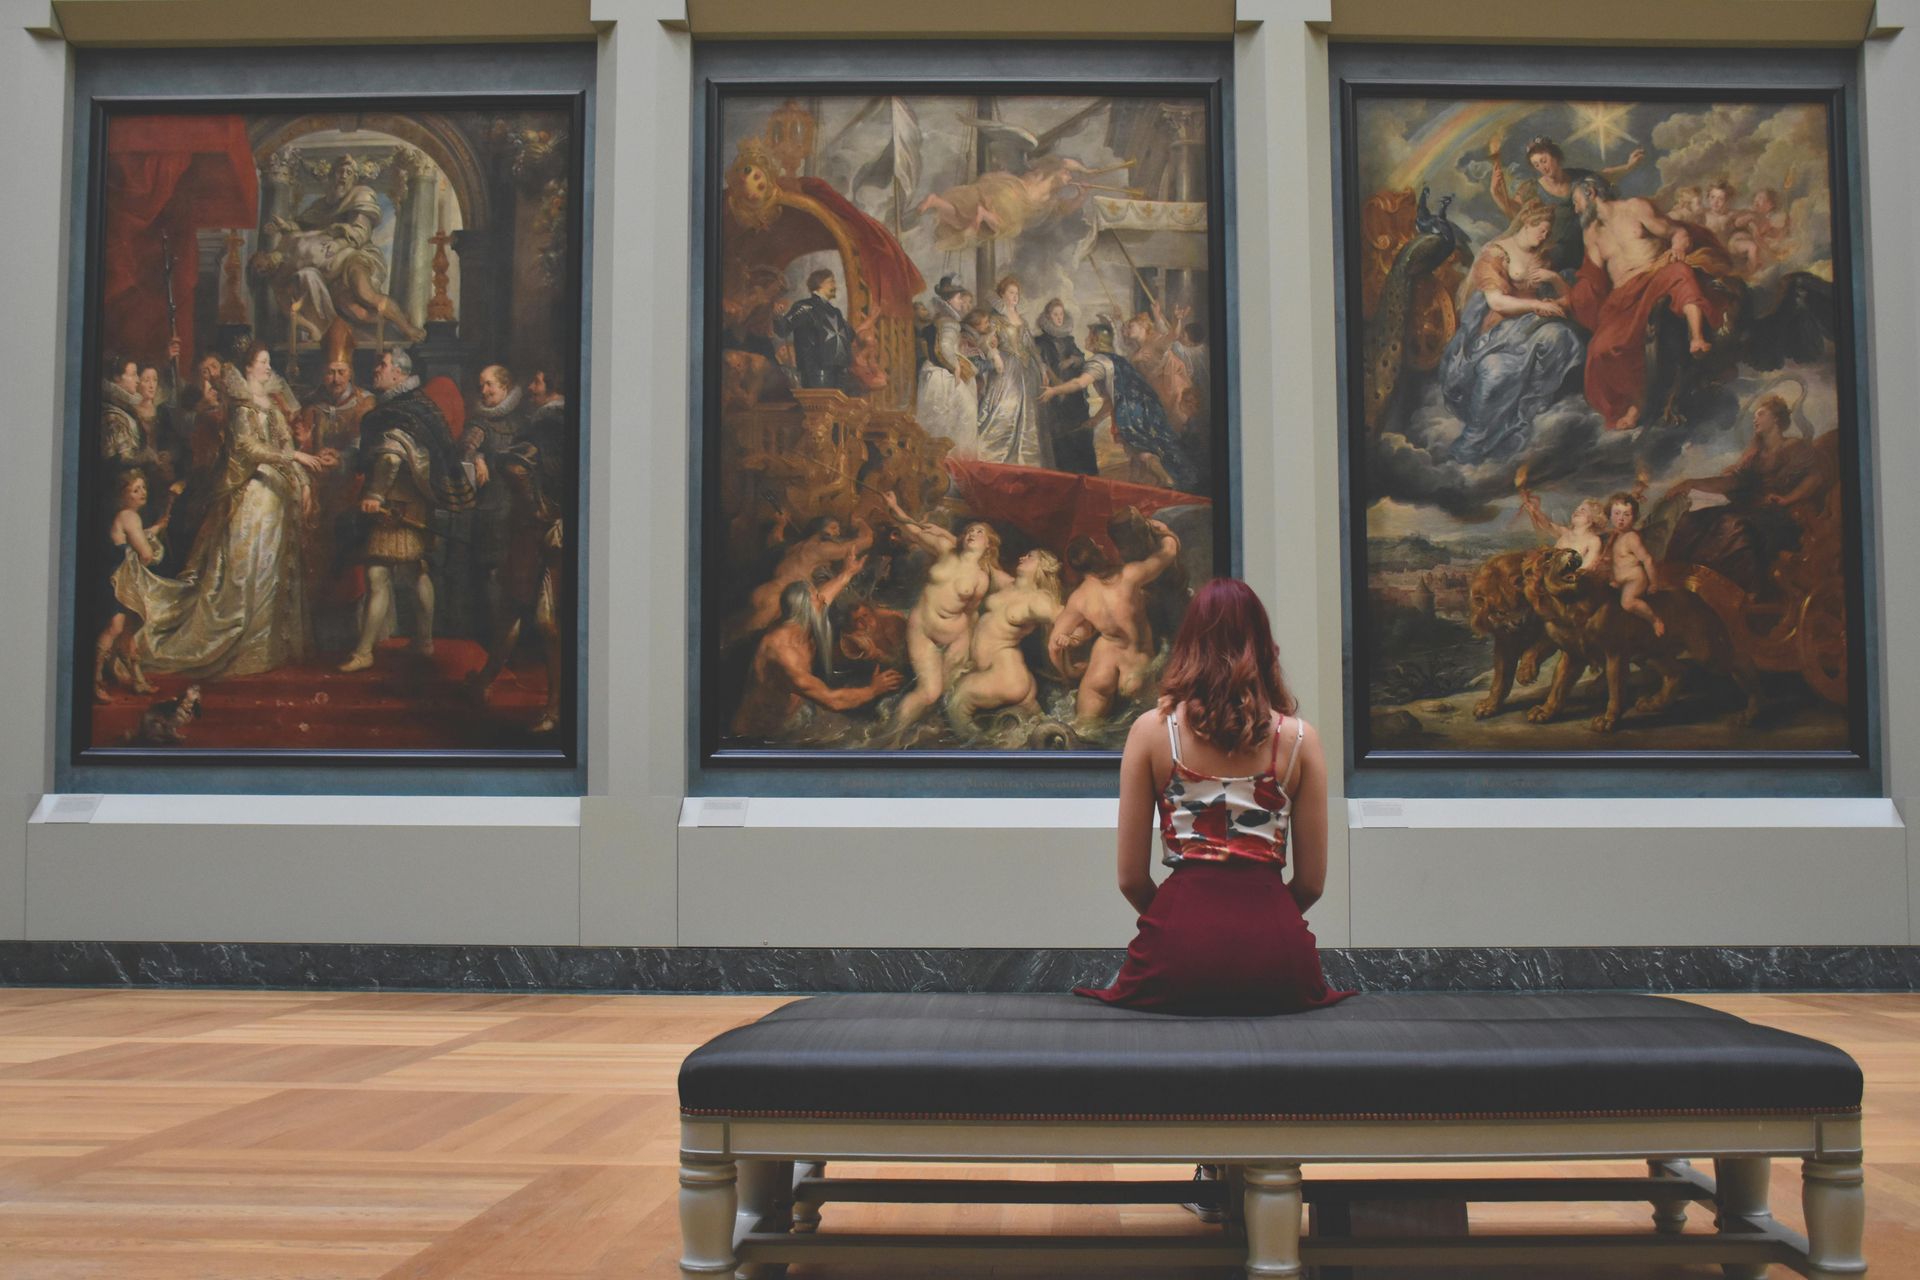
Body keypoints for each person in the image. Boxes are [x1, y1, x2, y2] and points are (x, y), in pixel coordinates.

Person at [1073, 577, 1348, 1017]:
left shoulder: (1150, 732)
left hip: (1175, 951)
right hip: (1278, 959)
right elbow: (1312, 883)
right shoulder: (1300, 740)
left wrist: (1181, 922)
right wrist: (1259, 921)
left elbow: (1130, 878)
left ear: (1188, 643)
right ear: (1262, 643)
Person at [113, 345, 324, 679]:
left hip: (277, 498)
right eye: (264, 363)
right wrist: (293, 460)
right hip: (251, 493)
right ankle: (233, 640)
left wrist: (303, 482)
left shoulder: (272, 405)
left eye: (270, 363)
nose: (269, 368)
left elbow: (285, 446)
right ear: (249, 367)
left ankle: (268, 645)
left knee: (271, 569)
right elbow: (246, 448)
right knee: (244, 571)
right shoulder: (241, 407)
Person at [336, 347, 477, 672]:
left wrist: (374, 493)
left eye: (382, 366)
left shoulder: (399, 410)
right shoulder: (417, 406)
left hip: (394, 506)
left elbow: (390, 456)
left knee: (378, 574)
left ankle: (364, 651)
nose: (376, 370)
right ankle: (424, 641)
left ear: (399, 373)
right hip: (415, 503)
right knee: (417, 572)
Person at [1568, 176, 1729, 430]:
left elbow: (1675, 232)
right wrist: (1570, 292)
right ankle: (1636, 400)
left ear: (1590, 192)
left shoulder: (1634, 208)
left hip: (1655, 275)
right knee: (1600, 350)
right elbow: (1594, 277)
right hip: (1623, 296)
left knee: (1680, 273)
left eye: (1576, 201)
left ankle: (1697, 337)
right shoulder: (1591, 234)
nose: (1575, 209)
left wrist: (1677, 246)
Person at [1437, 200, 1587, 463]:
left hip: (1534, 323)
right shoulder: (1495, 254)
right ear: (1527, 224)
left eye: (1548, 232)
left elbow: (1567, 300)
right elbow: (1496, 302)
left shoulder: (1544, 256)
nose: (1545, 236)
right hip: (1500, 327)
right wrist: (1536, 305)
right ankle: (1472, 444)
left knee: (1563, 337)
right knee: (1497, 372)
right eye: (1541, 230)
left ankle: (1526, 409)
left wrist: (1553, 279)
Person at [1663, 394, 1834, 595]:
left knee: (1736, 528)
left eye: (1761, 414)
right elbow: (1731, 482)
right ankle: (1687, 586)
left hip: (1778, 514)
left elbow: (1815, 478)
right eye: (1755, 415)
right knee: (1692, 521)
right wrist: (1691, 483)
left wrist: (1788, 498)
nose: (1755, 419)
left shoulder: (1794, 447)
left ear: (1776, 419)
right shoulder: (1754, 454)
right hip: (1751, 509)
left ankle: (1744, 595)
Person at [882, 490, 1008, 737]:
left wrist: (966, 643)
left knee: (947, 694)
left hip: (955, 635)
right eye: (970, 531)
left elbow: (970, 613)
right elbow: (913, 532)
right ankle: (887, 740)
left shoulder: (982, 579)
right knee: (928, 692)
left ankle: (936, 731)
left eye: (979, 532)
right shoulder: (945, 548)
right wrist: (894, 506)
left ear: (988, 544)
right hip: (922, 628)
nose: (972, 534)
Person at [731, 564, 903, 740]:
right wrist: (873, 690)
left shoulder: (798, 622)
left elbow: (825, 595)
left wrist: (847, 573)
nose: (823, 600)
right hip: (762, 735)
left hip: (797, 712)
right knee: (862, 736)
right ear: (806, 611)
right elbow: (833, 701)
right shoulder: (785, 655)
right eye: (817, 599)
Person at [1049, 517, 1180, 727]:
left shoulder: (1079, 598)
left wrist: (1069, 674)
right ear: (1098, 554)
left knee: (1083, 731)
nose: (1102, 546)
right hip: (1136, 667)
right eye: (1097, 546)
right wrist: (1165, 532)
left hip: (1102, 666)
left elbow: (1054, 645)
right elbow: (1168, 553)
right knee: (1158, 729)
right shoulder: (1129, 575)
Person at [1041, 317, 1195, 491]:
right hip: (1146, 405)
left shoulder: (1097, 363)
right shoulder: (1115, 359)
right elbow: (1111, 398)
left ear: (1095, 341)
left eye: (1088, 336)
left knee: (1140, 450)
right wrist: (1096, 419)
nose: (1084, 340)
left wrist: (1054, 391)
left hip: (1132, 410)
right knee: (1134, 448)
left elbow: (1079, 384)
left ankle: (1166, 479)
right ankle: (1135, 484)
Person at [1488, 134, 1647, 274]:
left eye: (1544, 160)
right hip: (1558, 252)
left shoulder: (1577, 176)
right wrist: (1496, 194)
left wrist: (1628, 166)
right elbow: (1515, 211)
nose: (1542, 167)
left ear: (1555, 156)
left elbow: (1605, 174)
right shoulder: (1532, 189)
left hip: (1589, 244)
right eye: (1536, 165)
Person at [948, 548, 1064, 733]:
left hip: (1006, 674)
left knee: (957, 701)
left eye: (1029, 556)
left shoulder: (1037, 600)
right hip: (1009, 674)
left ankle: (978, 754)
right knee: (1039, 732)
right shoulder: (1010, 584)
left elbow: (1065, 616)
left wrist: (1071, 636)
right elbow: (990, 566)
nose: (1022, 556)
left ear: (1042, 566)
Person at [92, 469, 165, 701]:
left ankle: (138, 680)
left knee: (128, 633)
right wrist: (154, 547)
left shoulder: (127, 517)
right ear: (123, 495)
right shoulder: (129, 516)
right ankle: (94, 681)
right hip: (116, 582)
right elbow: (145, 555)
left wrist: (155, 530)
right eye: (135, 490)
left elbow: (136, 537)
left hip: (122, 582)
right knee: (116, 627)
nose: (142, 492)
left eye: (143, 487)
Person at [974, 275, 1051, 469]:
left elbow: (1031, 347)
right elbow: (985, 343)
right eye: (1011, 293)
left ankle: (1025, 461)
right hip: (1006, 369)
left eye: (1017, 293)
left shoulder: (1022, 320)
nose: (1015, 297)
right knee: (1003, 409)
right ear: (1002, 295)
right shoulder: (995, 319)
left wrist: (1041, 366)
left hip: (1027, 370)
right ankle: (993, 456)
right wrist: (993, 350)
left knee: (1028, 413)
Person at [915, 276, 980, 459]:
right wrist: (956, 367)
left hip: (931, 373)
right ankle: (960, 461)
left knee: (944, 420)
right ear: (950, 299)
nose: (961, 302)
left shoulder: (940, 318)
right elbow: (944, 349)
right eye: (959, 298)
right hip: (942, 375)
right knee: (966, 413)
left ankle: (949, 460)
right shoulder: (949, 322)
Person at [1034, 298, 1097, 475]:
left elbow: (1081, 357)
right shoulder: (1040, 342)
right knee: (1061, 438)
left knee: (1081, 433)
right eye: (1055, 314)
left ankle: (1087, 475)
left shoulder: (1068, 340)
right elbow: (1040, 365)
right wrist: (1053, 379)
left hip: (1074, 395)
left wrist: (1072, 360)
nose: (1059, 318)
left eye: (1061, 314)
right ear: (1048, 316)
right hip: (1055, 398)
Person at [781, 268, 855, 391]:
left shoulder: (835, 312)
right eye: (831, 282)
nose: (835, 286)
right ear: (820, 283)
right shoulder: (804, 307)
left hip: (839, 371)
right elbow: (783, 329)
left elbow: (850, 335)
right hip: (816, 371)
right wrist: (778, 316)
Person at [1604, 493, 1664, 636]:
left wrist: (1654, 583)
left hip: (1634, 580)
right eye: (1617, 513)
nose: (1621, 518)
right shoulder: (1613, 536)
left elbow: (1647, 559)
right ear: (1610, 515)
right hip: (1619, 581)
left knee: (1628, 602)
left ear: (1634, 518)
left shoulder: (1631, 537)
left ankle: (1654, 620)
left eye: (1626, 514)